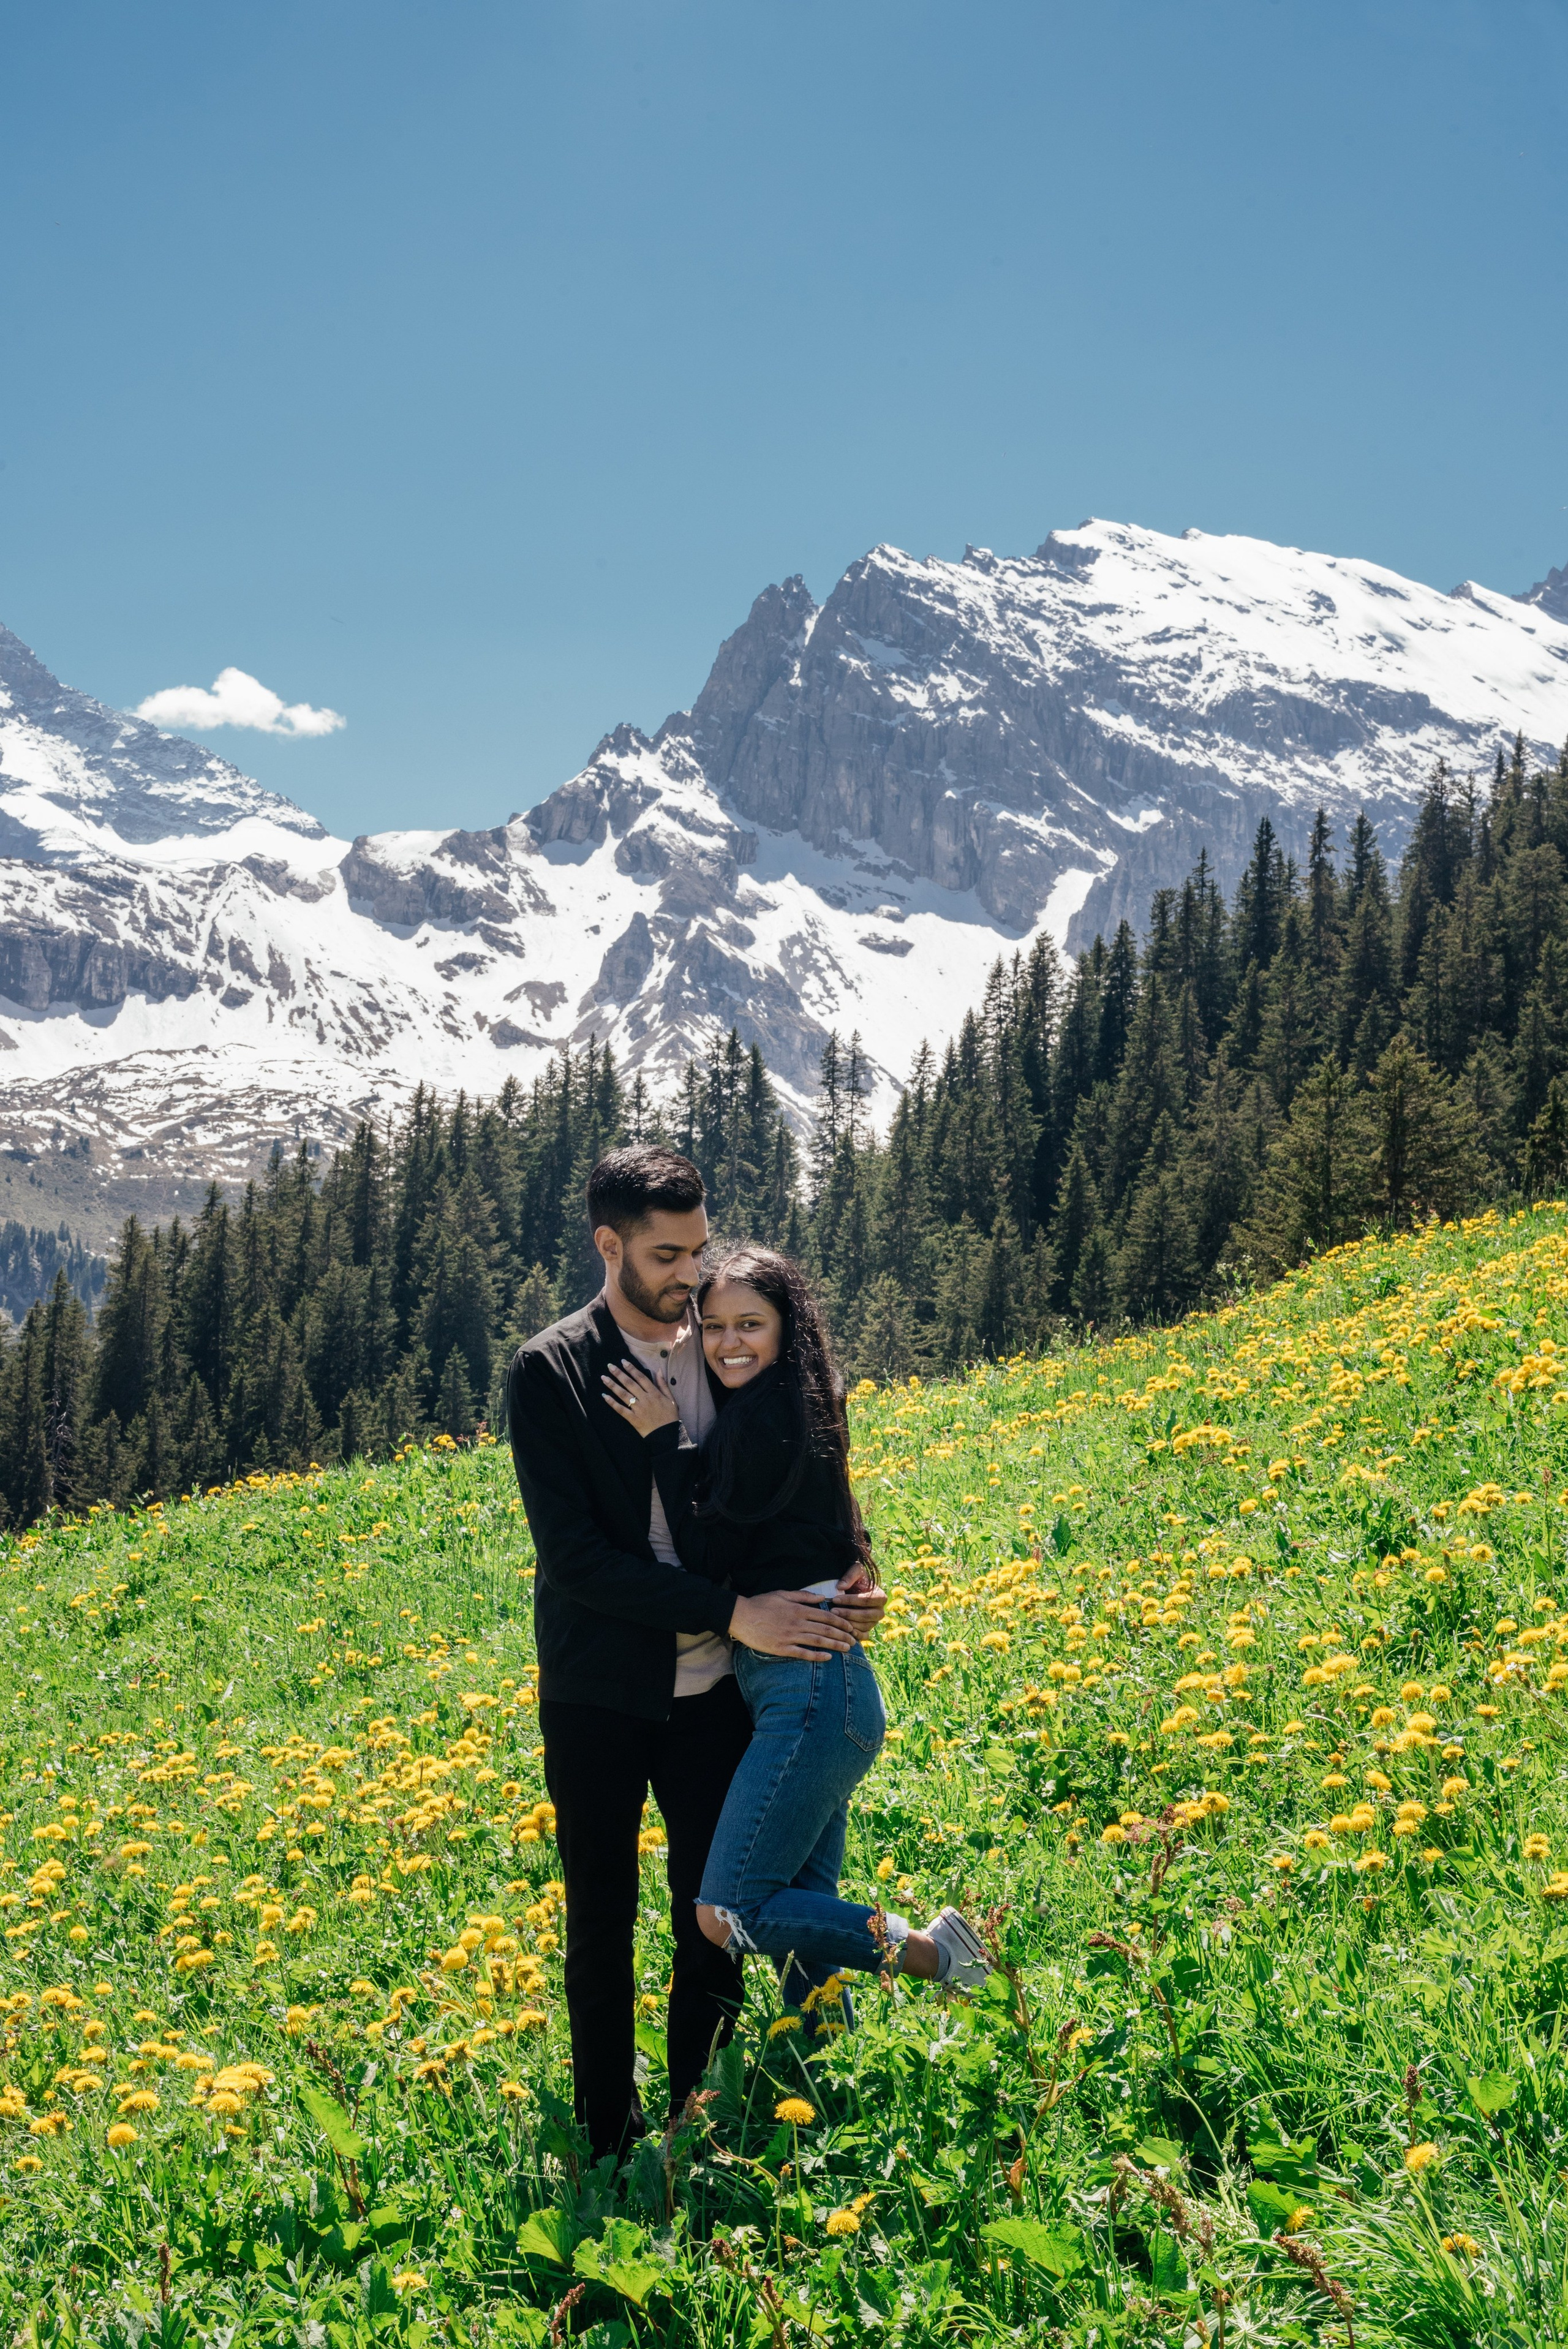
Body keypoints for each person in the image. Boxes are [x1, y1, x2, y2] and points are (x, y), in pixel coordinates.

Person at [505, 1146, 883, 2163]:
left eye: (698, 1248)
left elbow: (799, 1471)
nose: (688, 1275)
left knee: (705, 1915)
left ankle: (698, 2116)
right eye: (667, 1254)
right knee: (602, 1919)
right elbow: (577, 1560)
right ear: (609, 1244)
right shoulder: (550, 1370)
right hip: (599, 1692)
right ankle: (605, 2135)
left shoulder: (722, 1349)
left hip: (716, 1692)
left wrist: (850, 1560)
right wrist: (734, 1610)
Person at [600, 1245, 990, 1993]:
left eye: (751, 1323)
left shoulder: (763, 1418)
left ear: (788, 1327)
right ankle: (813, 2053)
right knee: (804, 1906)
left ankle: (939, 1954)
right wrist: (858, 1573)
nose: (729, 1342)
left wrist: (661, 1436)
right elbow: (821, 1526)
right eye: (711, 1326)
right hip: (823, 1690)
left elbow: (711, 1550)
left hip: (807, 1691)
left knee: (728, 1909)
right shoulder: (795, 1402)